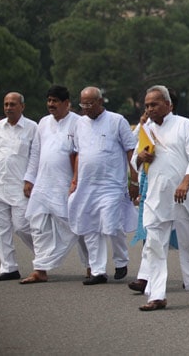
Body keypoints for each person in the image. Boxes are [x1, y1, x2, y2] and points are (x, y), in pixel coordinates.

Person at [134, 85, 189, 311]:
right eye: (147, 105)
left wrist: (186, 182)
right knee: (154, 245)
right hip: (156, 197)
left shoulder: (184, 124)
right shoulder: (145, 129)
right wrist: (140, 157)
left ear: (168, 104)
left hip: (183, 196)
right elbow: (135, 163)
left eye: (154, 104)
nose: (150, 109)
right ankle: (157, 296)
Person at [68, 86, 139, 285]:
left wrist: (134, 181)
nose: (86, 108)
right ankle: (98, 271)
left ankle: (121, 261)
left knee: (112, 224)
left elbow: (130, 152)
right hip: (87, 185)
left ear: (100, 101)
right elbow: (78, 154)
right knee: (90, 227)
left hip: (112, 184)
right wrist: (74, 180)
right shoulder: (79, 124)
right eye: (83, 104)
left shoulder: (117, 121)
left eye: (90, 103)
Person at [21, 86, 85, 284]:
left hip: (67, 183)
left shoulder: (79, 123)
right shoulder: (43, 122)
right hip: (43, 182)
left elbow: (82, 155)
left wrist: (77, 181)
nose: (51, 104)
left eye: (55, 101)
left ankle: (93, 266)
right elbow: (36, 153)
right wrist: (29, 178)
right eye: (49, 100)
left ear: (67, 103)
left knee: (76, 225)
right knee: (37, 225)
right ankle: (40, 269)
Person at [0, 92, 36, 281]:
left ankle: (44, 257)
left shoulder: (31, 128)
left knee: (21, 226)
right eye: (6, 104)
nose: (8, 107)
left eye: (12, 104)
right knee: (0, 228)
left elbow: (35, 157)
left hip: (20, 186)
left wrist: (30, 180)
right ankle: (9, 268)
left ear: (22, 106)